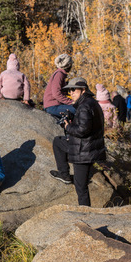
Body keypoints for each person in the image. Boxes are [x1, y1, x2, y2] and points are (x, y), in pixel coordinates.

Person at [49, 78, 106, 206]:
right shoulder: (91, 103)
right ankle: (64, 174)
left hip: (84, 151)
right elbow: (88, 125)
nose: (71, 92)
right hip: (86, 146)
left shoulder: (85, 105)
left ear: (83, 90)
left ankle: (85, 214)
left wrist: (68, 127)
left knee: (81, 188)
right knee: (58, 141)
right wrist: (72, 120)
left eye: (73, 89)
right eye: (69, 90)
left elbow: (82, 130)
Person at [43, 54, 75, 118]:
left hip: (53, 105)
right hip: (53, 106)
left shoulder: (59, 73)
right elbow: (56, 93)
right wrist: (71, 102)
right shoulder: (59, 74)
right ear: (68, 65)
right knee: (80, 110)